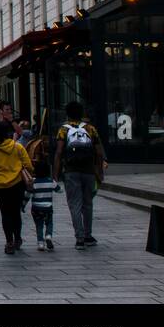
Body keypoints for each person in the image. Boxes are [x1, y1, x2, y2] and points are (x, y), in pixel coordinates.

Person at [53, 100, 106, 249]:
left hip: (71, 171)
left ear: (68, 114)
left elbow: (58, 152)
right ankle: (88, 235)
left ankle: (80, 238)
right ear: (82, 113)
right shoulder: (90, 128)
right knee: (88, 204)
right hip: (88, 171)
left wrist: (55, 175)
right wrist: (99, 172)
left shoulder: (63, 130)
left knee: (75, 204)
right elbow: (99, 152)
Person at [0, 119, 32, 253]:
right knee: (16, 213)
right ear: (8, 133)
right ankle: (17, 239)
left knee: (5, 214)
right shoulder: (17, 147)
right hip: (16, 184)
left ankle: (9, 242)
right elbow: (28, 165)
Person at [30, 141, 57, 251]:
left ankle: (40, 243)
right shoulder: (50, 181)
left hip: (36, 207)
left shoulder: (34, 182)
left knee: (39, 225)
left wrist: (22, 204)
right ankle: (48, 236)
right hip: (48, 207)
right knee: (49, 222)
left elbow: (27, 194)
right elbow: (59, 190)